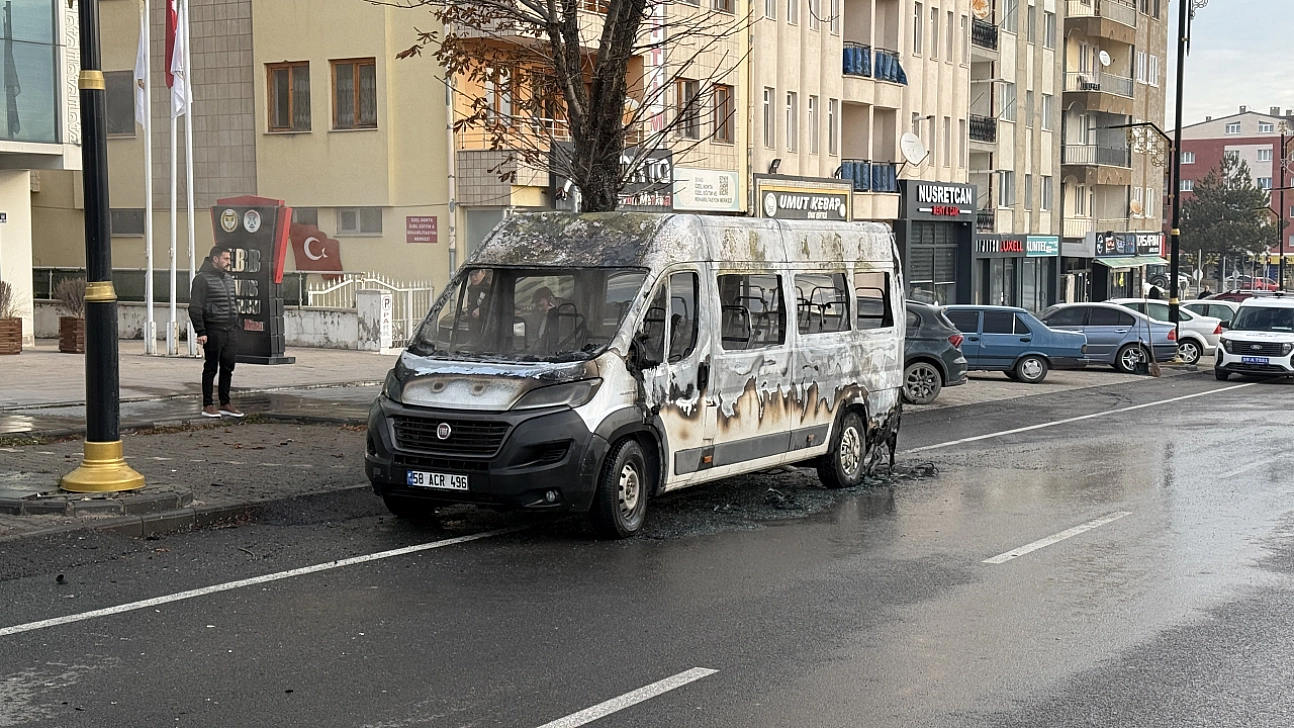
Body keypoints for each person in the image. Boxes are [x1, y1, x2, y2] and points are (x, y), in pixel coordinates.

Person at [189, 246, 243, 418]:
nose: (229, 262)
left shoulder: (228, 278)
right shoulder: (201, 280)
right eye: (226, 259)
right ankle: (207, 405)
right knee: (211, 368)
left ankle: (225, 403)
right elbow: (195, 307)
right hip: (213, 329)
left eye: (229, 259)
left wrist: (237, 323)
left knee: (228, 367)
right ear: (215, 259)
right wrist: (201, 331)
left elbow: (232, 302)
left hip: (231, 329)